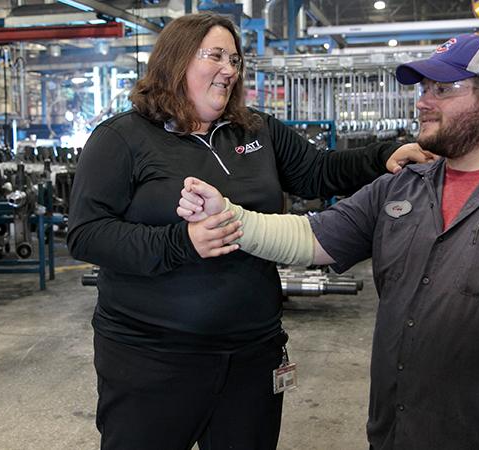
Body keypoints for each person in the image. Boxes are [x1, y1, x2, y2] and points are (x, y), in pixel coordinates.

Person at [179, 34, 479, 449]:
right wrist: (232, 216)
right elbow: (310, 239)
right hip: (395, 436)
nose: (423, 101)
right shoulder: (402, 186)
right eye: (424, 88)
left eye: (443, 89)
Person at [66, 12, 434, 450]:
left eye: (235, 60)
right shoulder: (122, 138)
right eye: (216, 56)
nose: (229, 70)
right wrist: (180, 243)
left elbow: (318, 172)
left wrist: (384, 157)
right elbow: (87, 233)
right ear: (176, 60)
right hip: (153, 357)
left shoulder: (256, 129)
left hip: (250, 352)